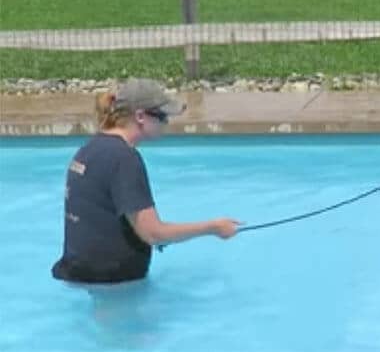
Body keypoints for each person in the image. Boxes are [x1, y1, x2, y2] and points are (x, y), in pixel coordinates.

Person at [51, 78, 240, 284]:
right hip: (112, 284)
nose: (166, 123)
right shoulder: (124, 159)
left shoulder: (89, 149)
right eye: (162, 117)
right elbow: (153, 233)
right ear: (140, 116)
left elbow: (101, 219)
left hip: (77, 273)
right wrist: (213, 227)